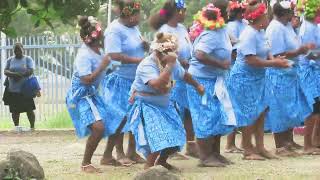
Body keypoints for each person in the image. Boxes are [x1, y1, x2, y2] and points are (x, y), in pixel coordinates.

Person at [128, 32, 205, 170]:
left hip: (164, 104)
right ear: (162, 51)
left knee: (177, 136)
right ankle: (149, 169)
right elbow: (157, 84)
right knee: (159, 136)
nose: (175, 55)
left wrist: (197, 85)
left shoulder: (170, 63)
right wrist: (169, 65)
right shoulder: (148, 64)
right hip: (147, 105)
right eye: (172, 52)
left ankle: (161, 162)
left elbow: (184, 75)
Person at [228, 0, 290, 160]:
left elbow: (266, 52)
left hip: (258, 78)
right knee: (249, 113)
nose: (268, 16)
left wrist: (276, 60)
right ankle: (248, 149)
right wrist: (274, 63)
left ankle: (260, 146)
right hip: (244, 78)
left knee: (261, 111)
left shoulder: (261, 32)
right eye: (265, 14)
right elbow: (251, 60)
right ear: (259, 17)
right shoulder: (248, 34)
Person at [187, 3, 237, 167]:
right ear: (221, 13)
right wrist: (220, 63)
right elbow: (199, 54)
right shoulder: (211, 34)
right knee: (206, 116)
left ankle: (215, 153)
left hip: (215, 80)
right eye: (228, 11)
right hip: (201, 80)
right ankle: (205, 157)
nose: (231, 12)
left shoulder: (222, 30)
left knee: (217, 115)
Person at [265, 1, 315, 157]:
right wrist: (299, 50)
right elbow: (279, 54)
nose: (292, 16)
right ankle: (281, 144)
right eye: (290, 13)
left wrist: (302, 50)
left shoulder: (286, 26)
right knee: (280, 108)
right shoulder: (275, 28)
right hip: (279, 74)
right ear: (283, 14)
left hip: (290, 73)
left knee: (290, 108)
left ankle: (289, 140)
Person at [149, 0, 198, 158]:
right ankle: (170, 148)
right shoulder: (164, 30)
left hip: (184, 74)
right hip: (171, 76)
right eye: (183, 10)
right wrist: (176, 60)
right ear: (178, 12)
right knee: (175, 111)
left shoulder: (182, 28)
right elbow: (159, 53)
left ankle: (191, 144)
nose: (185, 12)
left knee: (188, 110)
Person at [100, 0, 147, 166]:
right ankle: (113, 154)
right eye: (137, 13)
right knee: (119, 117)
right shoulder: (114, 30)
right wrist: (138, 60)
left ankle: (132, 152)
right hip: (120, 80)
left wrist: (147, 46)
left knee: (136, 115)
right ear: (130, 15)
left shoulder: (133, 28)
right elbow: (113, 55)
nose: (140, 16)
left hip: (135, 80)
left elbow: (137, 44)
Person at [65, 16, 111, 173]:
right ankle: (85, 164)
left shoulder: (98, 49)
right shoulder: (83, 55)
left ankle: (108, 156)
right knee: (98, 128)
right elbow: (86, 80)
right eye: (98, 32)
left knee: (107, 124)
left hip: (91, 94)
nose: (100, 34)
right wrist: (102, 66)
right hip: (81, 95)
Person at [224, 0, 247, 154]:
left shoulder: (244, 23)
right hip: (233, 69)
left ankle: (245, 142)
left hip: (244, 67)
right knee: (233, 105)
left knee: (243, 106)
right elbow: (233, 50)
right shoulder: (231, 26)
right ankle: (230, 143)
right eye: (241, 11)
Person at [298, 0, 320, 153]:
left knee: (317, 108)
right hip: (308, 72)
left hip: (316, 70)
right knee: (312, 108)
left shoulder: (314, 27)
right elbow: (307, 54)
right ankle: (307, 145)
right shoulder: (307, 28)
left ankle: (315, 142)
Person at [3, 42, 37, 132]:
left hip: (26, 89)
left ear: (23, 49)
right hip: (13, 90)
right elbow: (5, 71)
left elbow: (31, 70)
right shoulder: (10, 60)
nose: (17, 52)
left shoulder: (28, 59)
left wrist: (20, 75)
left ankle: (32, 127)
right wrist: (14, 74)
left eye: (19, 50)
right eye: (15, 50)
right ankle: (17, 127)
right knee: (15, 110)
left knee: (29, 109)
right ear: (13, 51)